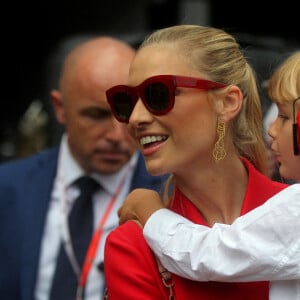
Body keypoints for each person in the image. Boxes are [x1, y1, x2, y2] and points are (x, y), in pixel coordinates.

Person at [103, 24, 288, 299]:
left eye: (158, 94)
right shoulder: (133, 244)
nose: (135, 118)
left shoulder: (290, 213)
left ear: (227, 103)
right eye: (127, 101)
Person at [0, 36, 166, 300]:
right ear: (60, 108)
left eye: (126, 112)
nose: (116, 134)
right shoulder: (8, 190)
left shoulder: (173, 196)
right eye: (96, 115)